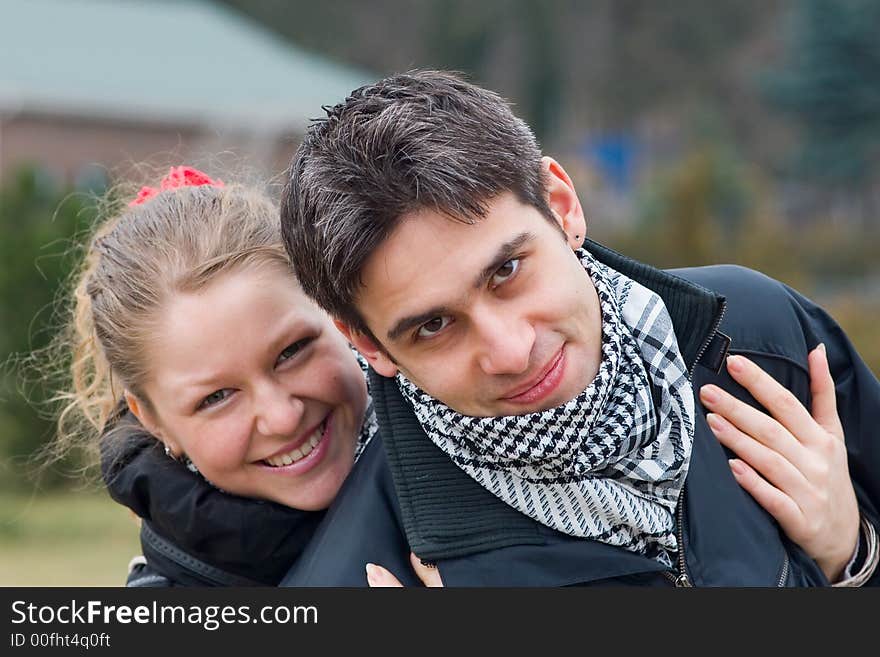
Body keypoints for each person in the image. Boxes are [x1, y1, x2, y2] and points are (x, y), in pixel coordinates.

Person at [279, 70, 880, 586]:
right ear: (367, 343)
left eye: (507, 271)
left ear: (562, 206)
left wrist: (854, 553)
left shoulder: (757, 333)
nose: (510, 352)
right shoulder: (364, 576)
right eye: (434, 326)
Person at [50, 166, 422, 586]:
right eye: (217, 396)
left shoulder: (473, 439)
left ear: (333, 310)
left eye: (292, 351)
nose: (282, 417)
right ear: (153, 421)